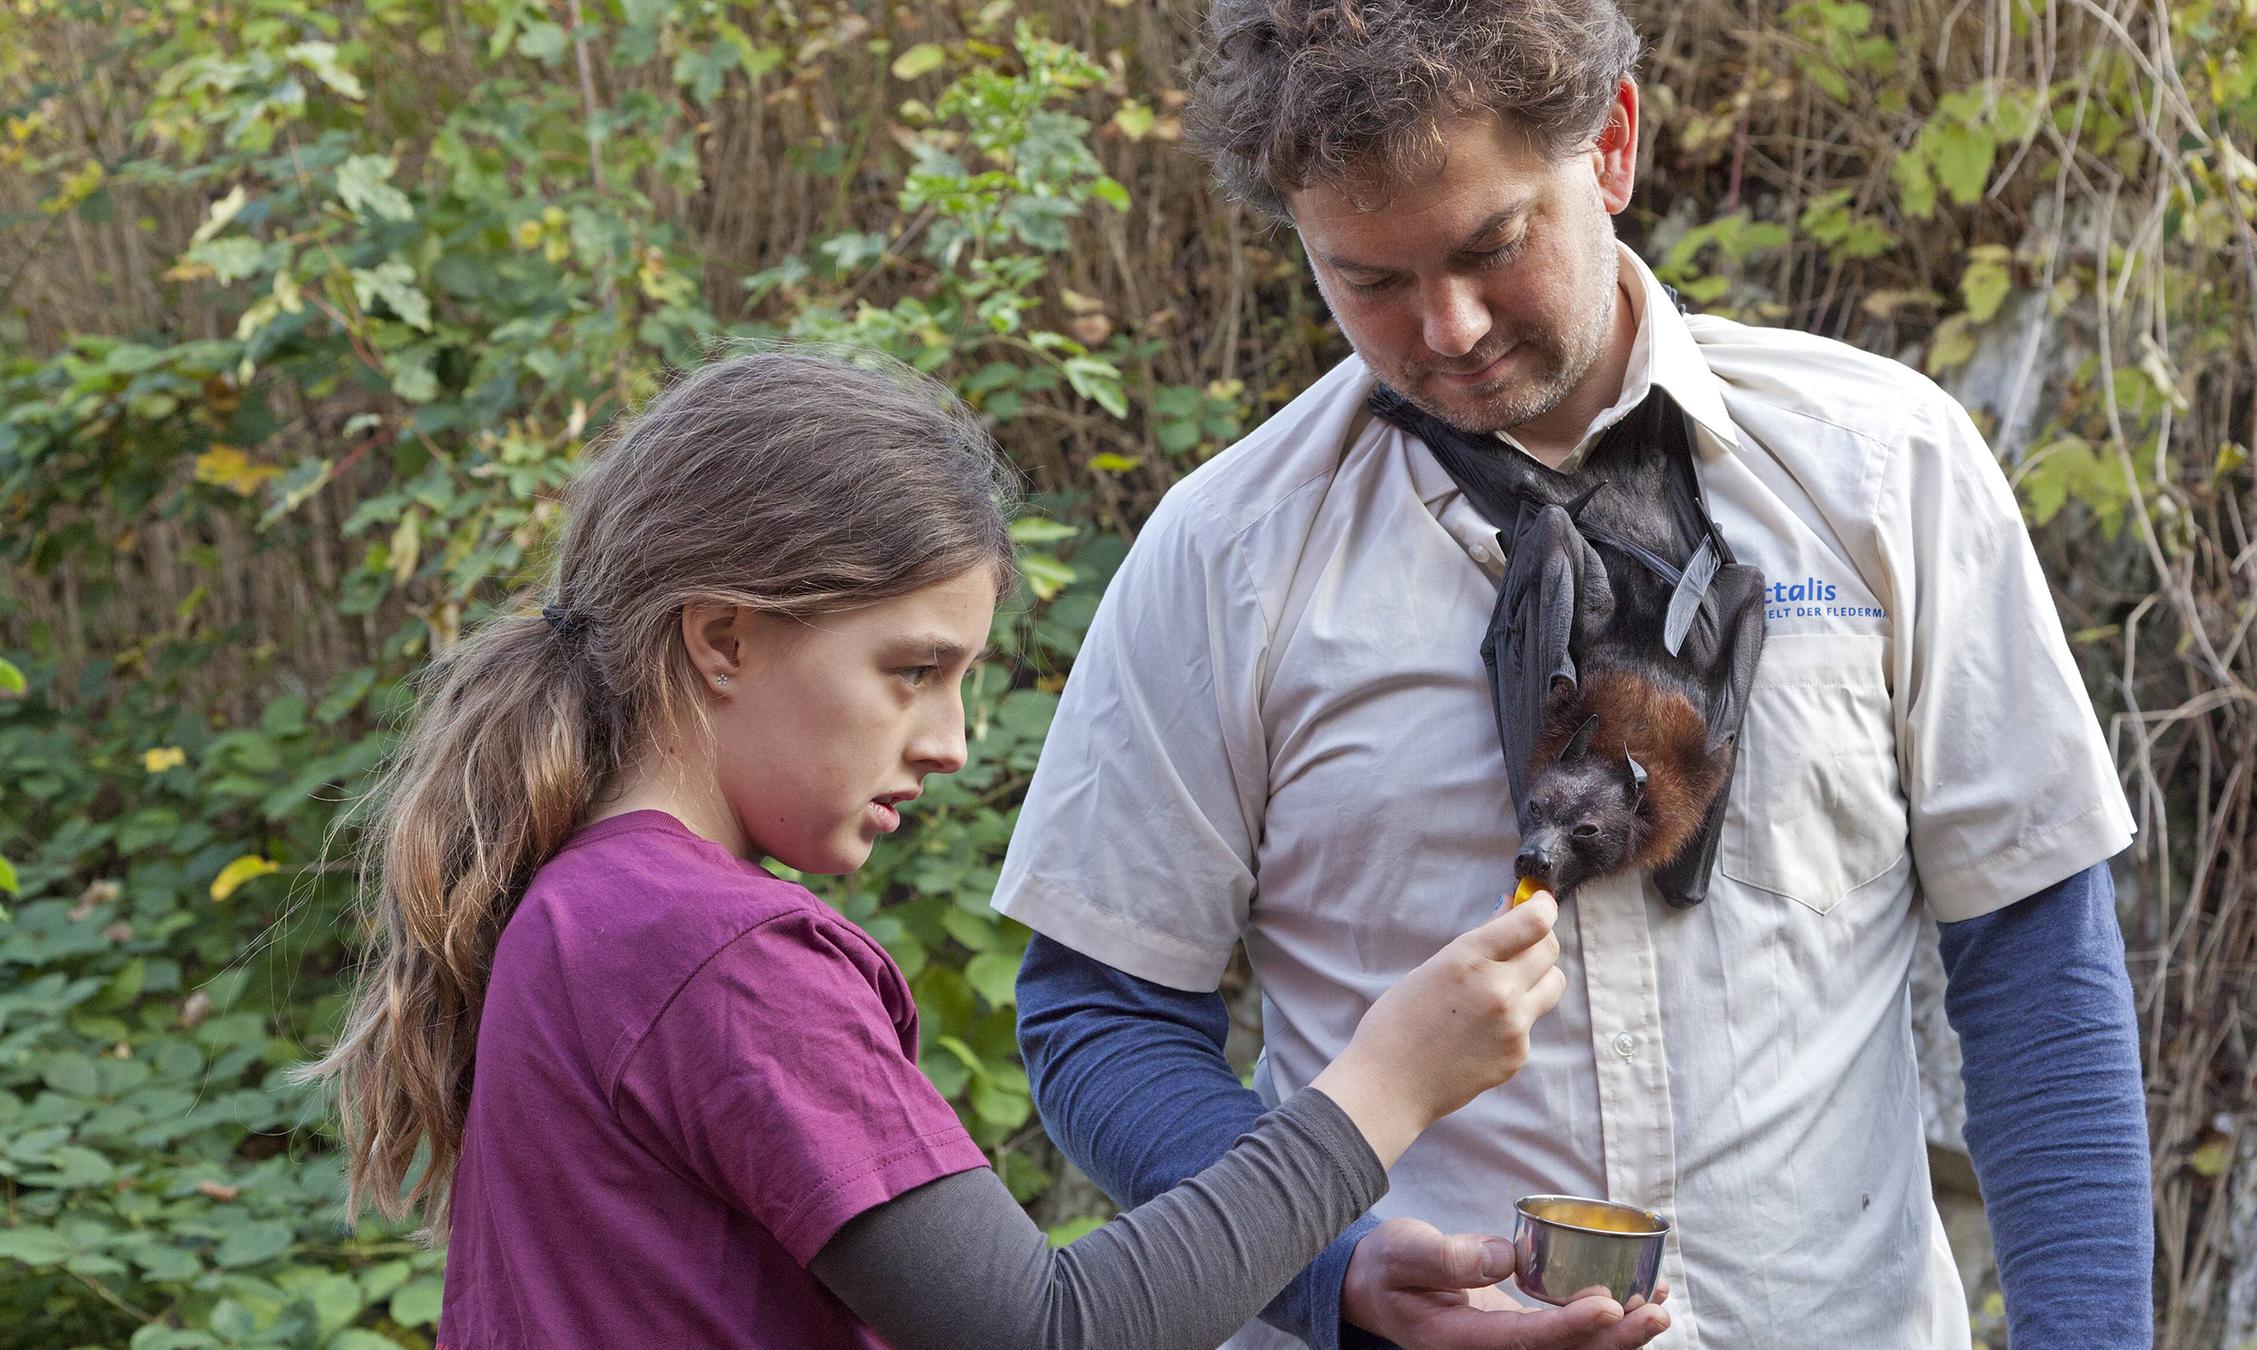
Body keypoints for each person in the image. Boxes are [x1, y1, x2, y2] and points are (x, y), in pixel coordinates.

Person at [993, 3, 2154, 1348]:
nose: (1448, 327)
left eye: (1493, 244)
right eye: (1367, 279)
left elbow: (2036, 958)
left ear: (1610, 144)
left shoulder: (1886, 470)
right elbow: (1101, 1014)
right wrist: (1334, 1270)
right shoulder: (1227, 555)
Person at [298, 350, 1583, 1350]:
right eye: (911, 671)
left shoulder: (587, 905)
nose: (954, 742)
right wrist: (1385, 1087)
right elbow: (1053, 1328)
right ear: (724, 638)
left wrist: (1336, 1260)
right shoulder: (718, 954)